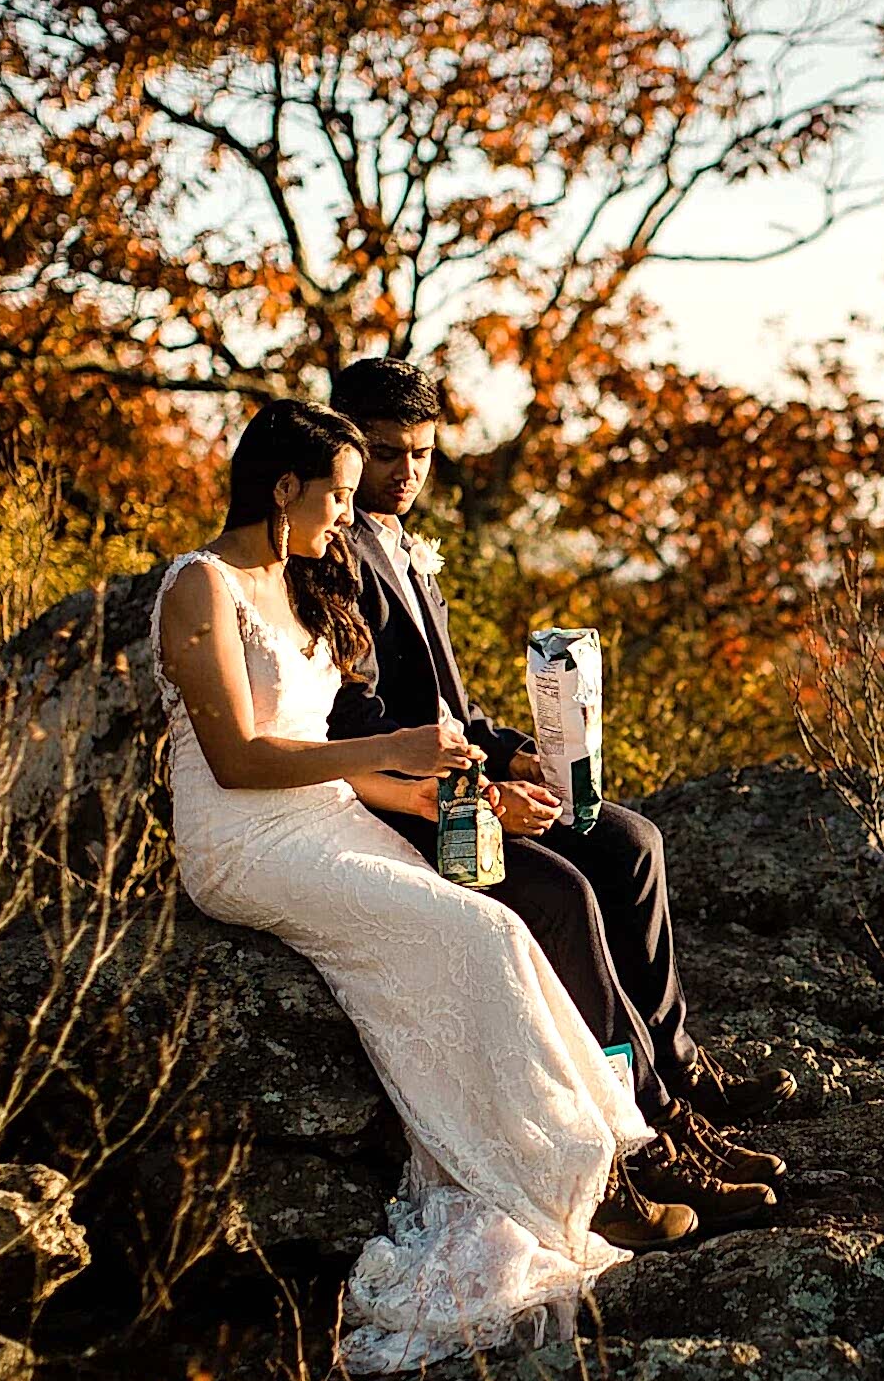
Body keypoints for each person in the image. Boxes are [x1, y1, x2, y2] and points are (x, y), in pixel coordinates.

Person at [150, 399, 695, 1375]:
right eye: (338, 495)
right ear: (283, 488)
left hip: (320, 816)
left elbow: (334, 765)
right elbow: (235, 759)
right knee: (474, 941)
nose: (345, 518)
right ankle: (570, 1177)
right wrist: (395, 743)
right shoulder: (201, 584)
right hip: (240, 840)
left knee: (496, 927)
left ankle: (592, 1163)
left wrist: (458, 791)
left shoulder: (292, 580)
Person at [322, 358, 800, 1222]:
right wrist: (478, 789)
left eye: (423, 455)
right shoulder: (336, 554)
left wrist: (513, 756)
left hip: (468, 777)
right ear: (347, 443)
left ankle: (680, 1062)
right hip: (401, 806)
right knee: (568, 894)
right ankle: (655, 1127)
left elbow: (449, 707)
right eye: (387, 453)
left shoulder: (404, 548)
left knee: (628, 841)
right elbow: (359, 727)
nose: (405, 475)